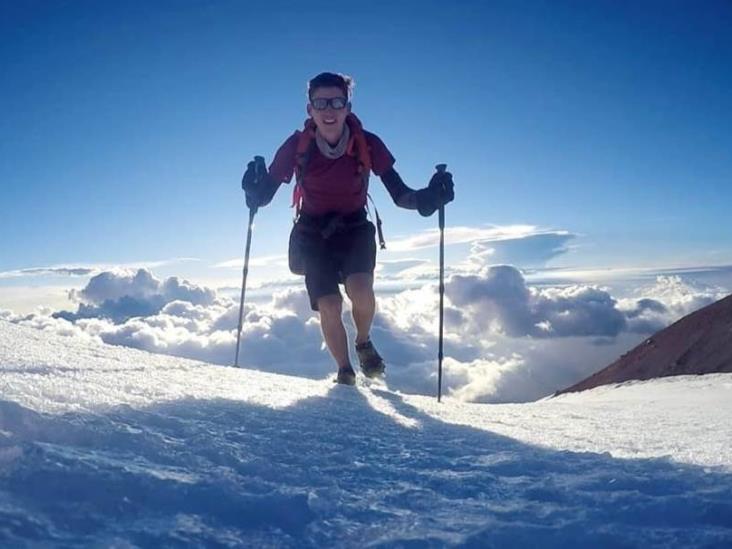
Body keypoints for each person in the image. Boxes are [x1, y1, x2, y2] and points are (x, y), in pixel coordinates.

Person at [242, 72, 454, 385]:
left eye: (337, 102)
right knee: (329, 304)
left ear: (348, 107)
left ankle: (363, 341)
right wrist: (254, 190)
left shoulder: (367, 143)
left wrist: (428, 199)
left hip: (355, 228)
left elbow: (400, 195)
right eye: (321, 102)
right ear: (309, 109)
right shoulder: (296, 146)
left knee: (362, 292)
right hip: (312, 234)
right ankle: (345, 372)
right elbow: (266, 194)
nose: (329, 110)